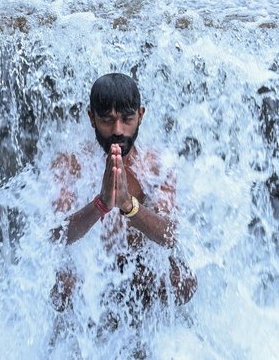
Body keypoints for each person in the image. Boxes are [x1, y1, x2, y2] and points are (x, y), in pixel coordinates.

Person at [49, 73, 197, 313]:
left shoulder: (156, 166)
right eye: (107, 120)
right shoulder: (71, 164)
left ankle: (150, 336)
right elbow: (56, 236)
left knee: (183, 281)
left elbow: (171, 235)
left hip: (139, 270)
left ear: (140, 116)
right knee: (61, 288)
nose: (117, 130)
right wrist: (101, 204)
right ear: (91, 118)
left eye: (127, 119)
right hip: (92, 269)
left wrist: (128, 205)